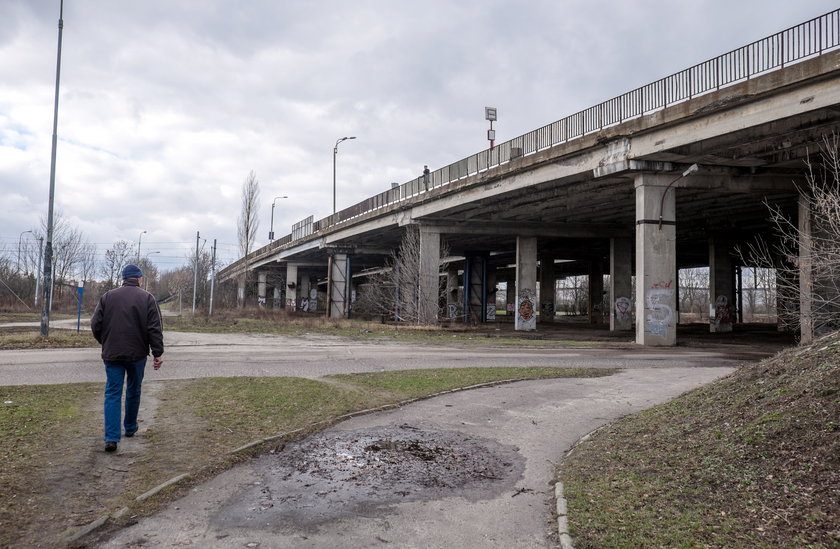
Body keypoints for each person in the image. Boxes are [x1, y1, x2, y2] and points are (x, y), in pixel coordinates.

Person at [91, 264, 164, 453]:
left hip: (112, 353)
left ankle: (111, 438)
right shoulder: (147, 298)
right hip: (137, 354)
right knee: (134, 389)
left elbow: (95, 324)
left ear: (123, 278)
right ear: (139, 279)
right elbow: (154, 328)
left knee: (113, 392)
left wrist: (105, 342)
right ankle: (130, 428)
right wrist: (157, 353)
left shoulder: (108, 297)